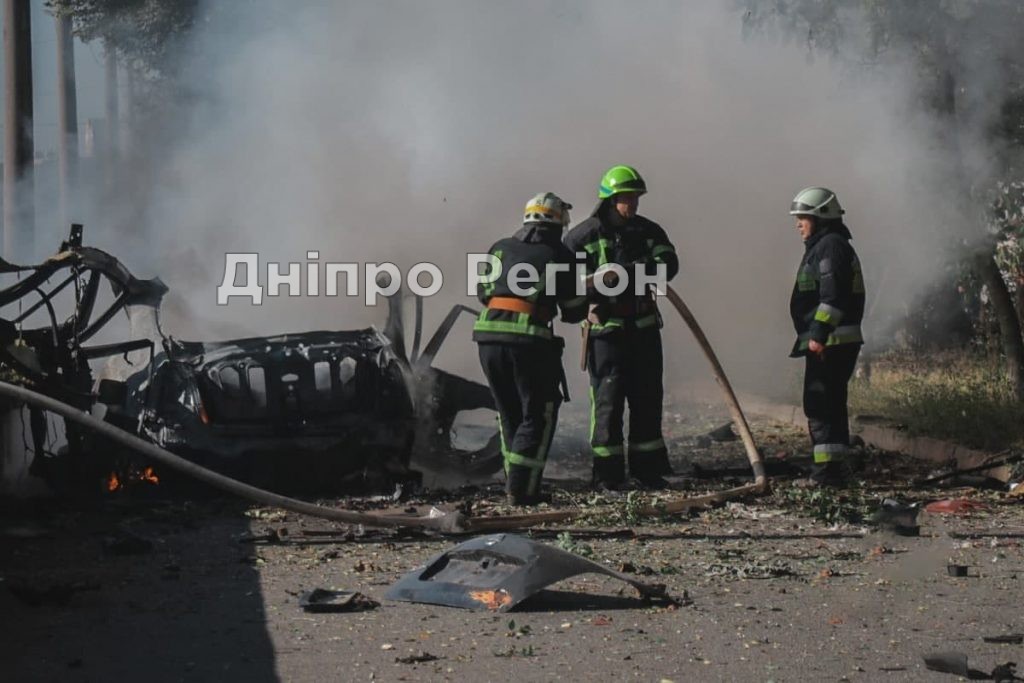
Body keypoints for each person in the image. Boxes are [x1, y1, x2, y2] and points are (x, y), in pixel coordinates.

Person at [564, 165, 679, 490]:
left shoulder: (648, 231)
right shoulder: (581, 236)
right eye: (627, 198)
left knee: (647, 398)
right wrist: (598, 286)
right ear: (610, 200)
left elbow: (669, 265)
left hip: (643, 329)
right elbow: (567, 281)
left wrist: (629, 271)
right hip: (605, 333)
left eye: (636, 197)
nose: (633, 203)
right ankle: (607, 474)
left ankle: (648, 471)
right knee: (608, 401)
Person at [473, 192, 587, 505]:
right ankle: (523, 490)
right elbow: (573, 310)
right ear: (559, 221)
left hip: (488, 339)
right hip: (528, 341)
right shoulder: (560, 254)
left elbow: (483, 293)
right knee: (539, 412)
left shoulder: (499, 247)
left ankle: (515, 484)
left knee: (509, 411)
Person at [788, 186, 866, 486]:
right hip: (833, 340)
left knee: (822, 405)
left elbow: (832, 297)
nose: (799, 224)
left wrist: (819, 334)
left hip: (832, 341)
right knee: (828, 405)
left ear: (821, 218)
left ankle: (827, 474)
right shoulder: (826, 245)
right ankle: (833, 471)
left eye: (804, 218)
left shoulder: (831, 247)